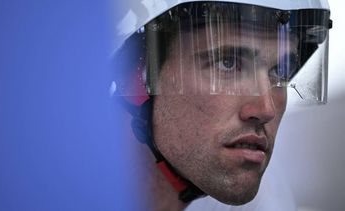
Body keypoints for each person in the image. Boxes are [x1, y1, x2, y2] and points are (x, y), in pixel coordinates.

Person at [110, 0, 332, 210]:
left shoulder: (266, 200)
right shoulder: (77, 187)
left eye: (280, 71)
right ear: (136, 77)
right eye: (227, 63)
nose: (266, 109)